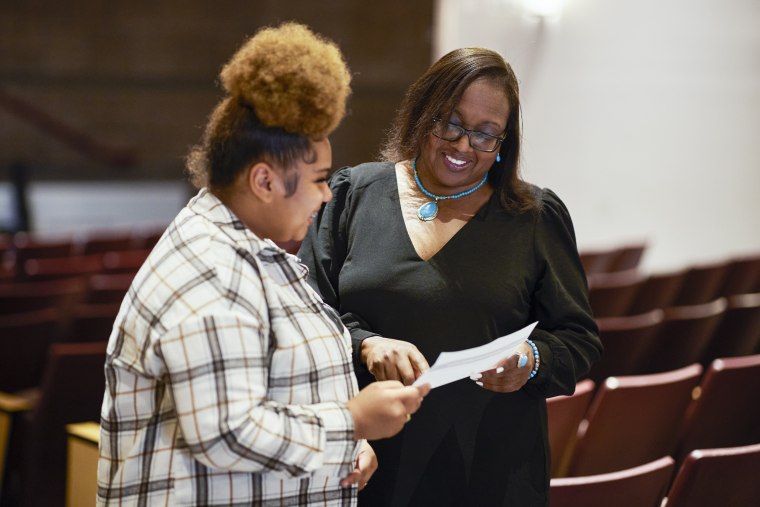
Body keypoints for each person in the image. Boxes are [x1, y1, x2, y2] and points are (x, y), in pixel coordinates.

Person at [97, 22, 429, 506]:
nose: (325, 196)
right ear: (264, 181)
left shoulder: (255, 248)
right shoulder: (209, 269)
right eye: (317, 180)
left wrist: (347, 445)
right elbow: (224, 431)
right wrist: (352, 421)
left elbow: (286, 385)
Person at [298, 47, 602, 506]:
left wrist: (531, 360)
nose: (463, 146)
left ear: (505, 143)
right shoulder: (352, 194)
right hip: (370, 460)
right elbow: (303, 317)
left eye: (485, 135)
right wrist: (365, 342)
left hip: (491, 469)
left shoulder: (534, 217)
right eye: (451, 124)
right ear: (422, 114)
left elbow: (579, 340)